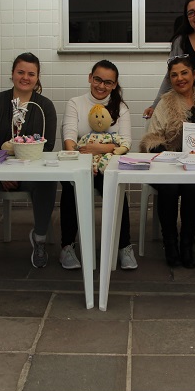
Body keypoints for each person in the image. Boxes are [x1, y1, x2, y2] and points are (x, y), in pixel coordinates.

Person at [0, 52, 58, 268]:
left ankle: (39, 238)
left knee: (48, 183)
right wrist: (4, 173)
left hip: (31, 173)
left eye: (31, 74)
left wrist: (20, 172)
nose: (25, 77)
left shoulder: (45, 106)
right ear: (12, 73)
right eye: (20, 72)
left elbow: (47, 146)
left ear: (37, 77)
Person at [60, 60, 137, 271]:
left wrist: (98, 149)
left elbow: (126, 142)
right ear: (90, 78)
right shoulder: (75, 103)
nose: (101, 86)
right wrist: (80, 157)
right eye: (97, 79)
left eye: (108, 82)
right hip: (80, 162)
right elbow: (69, 137)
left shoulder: (121, 108)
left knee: (116, 186)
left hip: (108, 165)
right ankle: (67, 246)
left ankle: (124, 246)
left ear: (114, 84)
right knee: (70, 186)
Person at [140, 56, 195, 268]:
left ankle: (187, 243)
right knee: (170, 186)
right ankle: (170, 242)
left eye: (184, 73)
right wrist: (170, 156)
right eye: (174, 75)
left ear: (194, 75)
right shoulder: (165, 103)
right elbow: (151, 139)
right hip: (167, 166)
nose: (180, 78)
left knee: (193, 186)